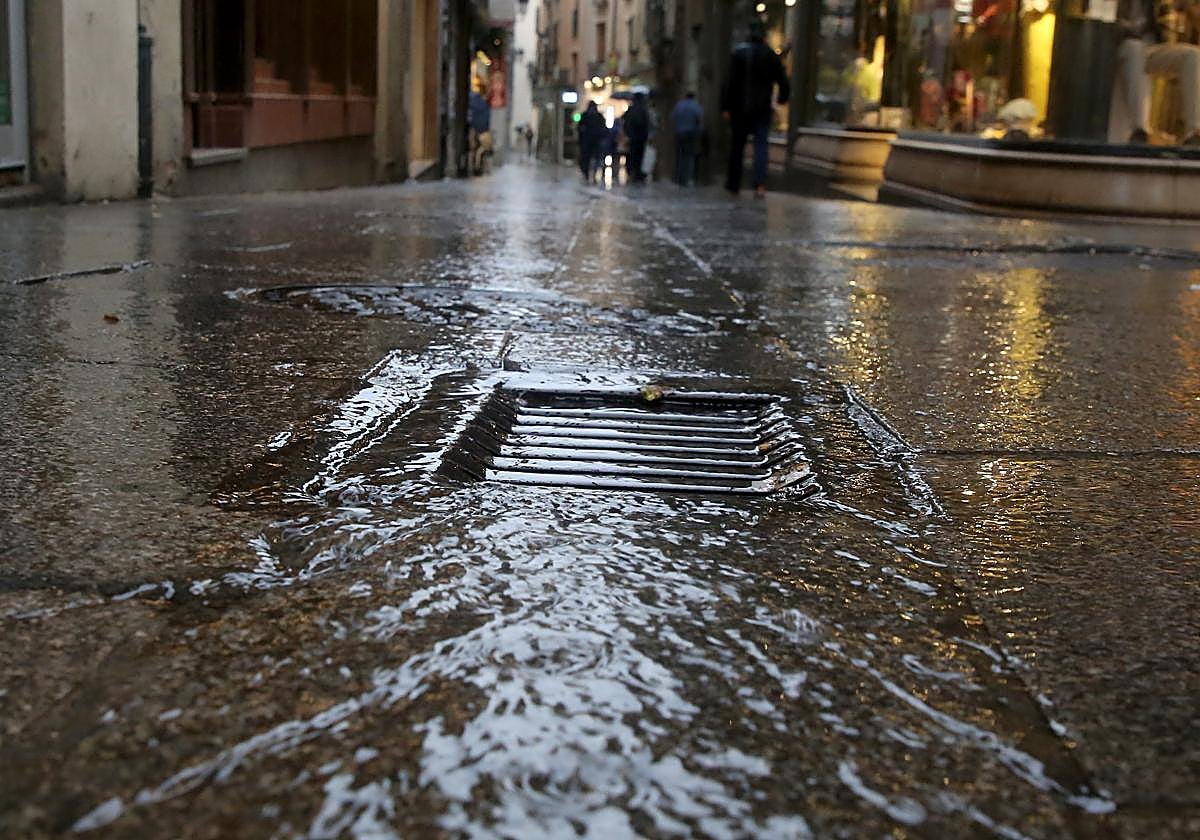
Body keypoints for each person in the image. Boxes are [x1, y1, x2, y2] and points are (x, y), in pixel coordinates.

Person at [720, 19, 790, 196]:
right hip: (761, 108)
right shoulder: (769, 55)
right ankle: (759, 184)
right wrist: (782, 99)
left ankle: (733, 184)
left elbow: (728, 83)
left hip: (739, 108)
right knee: (761, 147)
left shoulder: (738, 54)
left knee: (737, 146)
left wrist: (726, 107)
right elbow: (783, 80)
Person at [1117, 0, 1200, 145]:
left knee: (1192, 55)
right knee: (1135, 48)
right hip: (1122, 43)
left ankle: (1194, 132)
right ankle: (1140, 131)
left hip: (1153, 47)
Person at [670, 91, 704, 186]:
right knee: (689, 156)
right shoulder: (696, 106)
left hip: (679, 133)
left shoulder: (679, 105)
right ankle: (688, 177)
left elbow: (673, 118)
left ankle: (679, 177)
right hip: (691, 134)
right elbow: (699, 120)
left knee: (679, 156)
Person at [623, 93, 651, 184]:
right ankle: (638, 174)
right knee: (640, 156)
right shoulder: (644, 109)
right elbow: (647, 124)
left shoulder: (631, 109)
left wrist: (627, 134)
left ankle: (631, 172)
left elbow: (625, 122)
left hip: (631, 137)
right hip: (641, 138)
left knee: (631, 156)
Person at [578, 101, 607, 182]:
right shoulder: (599, 116)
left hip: (587, 141)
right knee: (596, 158)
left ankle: (587, 173)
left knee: (586, 158)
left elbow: (580, 129)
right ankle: (593, 174)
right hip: (596, 141)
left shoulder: (585, 115)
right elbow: (604, 129)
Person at [468, 87, 492, 174]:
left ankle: (476, 166)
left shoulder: (473, 104)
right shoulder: (484, 105)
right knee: (482, 152)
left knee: (476, 151)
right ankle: (480, 167)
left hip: (476, 131)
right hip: (483, 132)